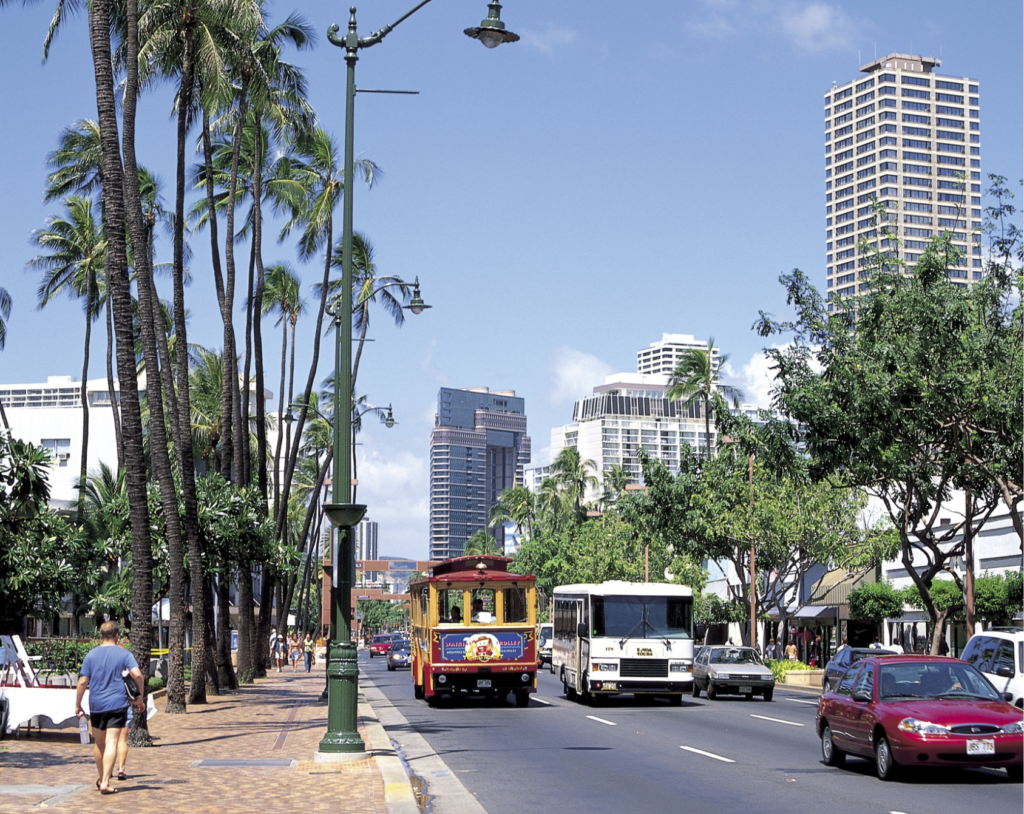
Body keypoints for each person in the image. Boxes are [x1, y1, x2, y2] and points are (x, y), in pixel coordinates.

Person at [75, 621, 144, 795]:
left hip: (96, 704)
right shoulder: (124, 653)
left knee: (99, 743)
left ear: (100, 636)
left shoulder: (91, 655)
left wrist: (77, 704)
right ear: (116, 636)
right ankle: (105, 781)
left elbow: (83, 681)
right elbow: (137, 674)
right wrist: (140, 697)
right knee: (112, 741)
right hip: (117, 703)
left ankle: (101, 778)